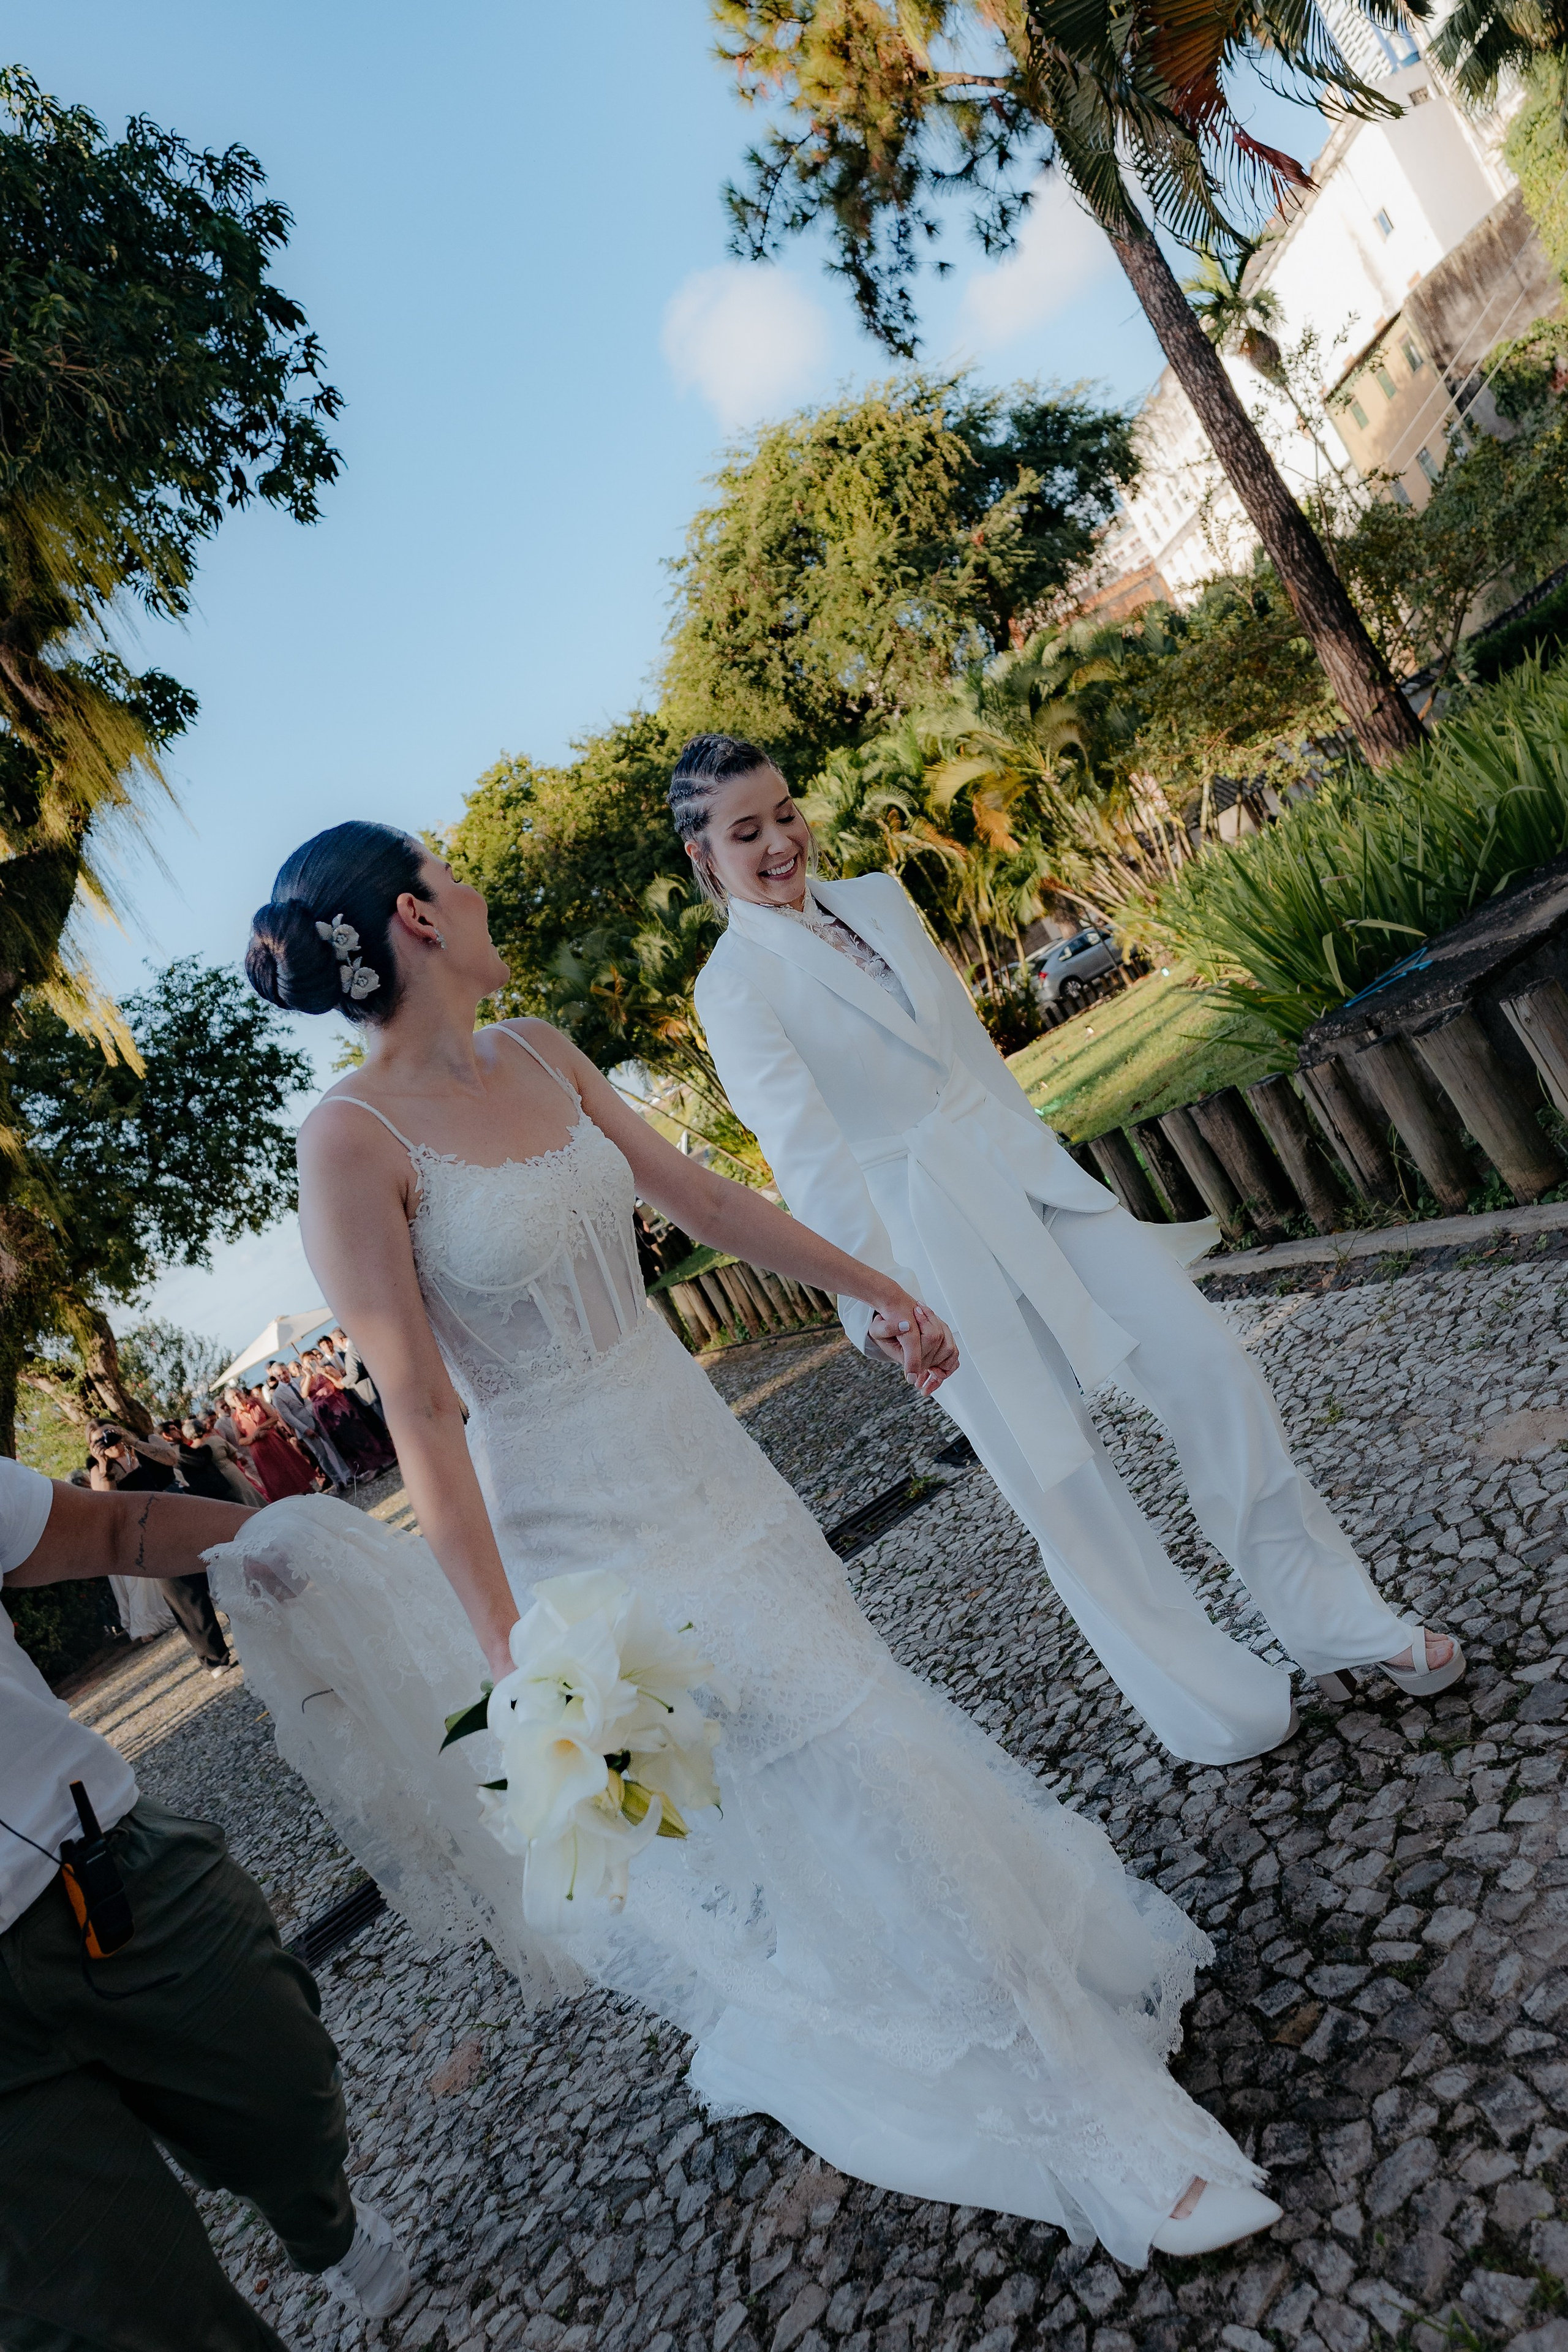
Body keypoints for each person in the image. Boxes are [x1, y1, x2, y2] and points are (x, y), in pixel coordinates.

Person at [222, 816, 1282, 2265]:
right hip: (582, 1532)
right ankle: (1084, 2110)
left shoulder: (537, 1048)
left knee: (863, 1744)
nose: (475, 889)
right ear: (414, 915)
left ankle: (1017, 1988)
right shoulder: (350, 1140)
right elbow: (413, 1403)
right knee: (857, 1766)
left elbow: (700, 1197)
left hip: (704, 1458)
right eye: (452, 877)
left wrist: (878, 1286)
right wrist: (505, 1647)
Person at [672, 733, 1466, 1768]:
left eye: (786, 813)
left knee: (1209, 1366)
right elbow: (809, 1162)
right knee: (1064, 1482)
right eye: (747, 832)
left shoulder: (875, 897)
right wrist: (882, 1311)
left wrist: (1056, 1171)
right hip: (922, 1251)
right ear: (705, 856)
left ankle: (1335, 1619)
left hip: (1030, 1180)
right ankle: (1216, 1701)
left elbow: (971, 1055)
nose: (781, 842)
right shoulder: (733, 989)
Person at [0, 1457, 413, 2346]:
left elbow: (109, 1530)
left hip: (95, 1862)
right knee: (117, 2308)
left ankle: (324, 2224)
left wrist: (267, 1543)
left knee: (281, 2075)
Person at [87, 1427, 235, 1678]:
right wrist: (105, 1467)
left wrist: (134, 1442)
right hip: (148, 1533)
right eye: (98, 1440)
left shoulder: (146, 1441)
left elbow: (171, 1459)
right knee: (182, 1593)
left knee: (218, 1569)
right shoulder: (97, 1468)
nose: (106, 1441)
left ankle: (251, 1624)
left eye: (109, 1432)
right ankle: (214, 1658)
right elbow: (107, 1504)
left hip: (181, 1511)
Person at [296, 1347, 394, 1481]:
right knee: (343, 1442)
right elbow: (304, 1394)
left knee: (358, 1434)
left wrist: (325, 1374)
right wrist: (308, 1376)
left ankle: (378, 1462)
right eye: (308, 1363)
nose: (312, 1364)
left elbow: (341, 1383)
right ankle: (363, 1469)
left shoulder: (328, 1369)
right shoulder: (304, 1381)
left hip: (339, 1407)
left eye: (313, 1360)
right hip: (325, 1415)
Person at [224, 1384, 318, 1503]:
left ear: (242, 1393)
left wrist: (261, 1427)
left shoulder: (256, 1402)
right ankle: (292, 1506)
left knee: (292, 1471)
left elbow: (274, 1417)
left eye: (237, 1395)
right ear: (230, 1403)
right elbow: (240, 1440)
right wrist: (254, 1436)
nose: (237, 1399)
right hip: (259, 1452)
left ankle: (313, 1498)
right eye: (233, 1398)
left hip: (274, 1442)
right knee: (275, 1481)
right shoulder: (235, 1418)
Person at [265, 1365, 352, 1490]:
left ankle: (348, 1475)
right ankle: (337, 1480)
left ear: (288, 1370)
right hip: (304, 1426)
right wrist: (305, 1429)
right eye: (280, 1375)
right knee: (322, 1455)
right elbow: (288, 1416)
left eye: (284, 1372)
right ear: (275, 1377)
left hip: (319, 1417)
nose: (284, 1376)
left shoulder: (300, 1380)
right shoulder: (277, 1395)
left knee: (335, 1446)